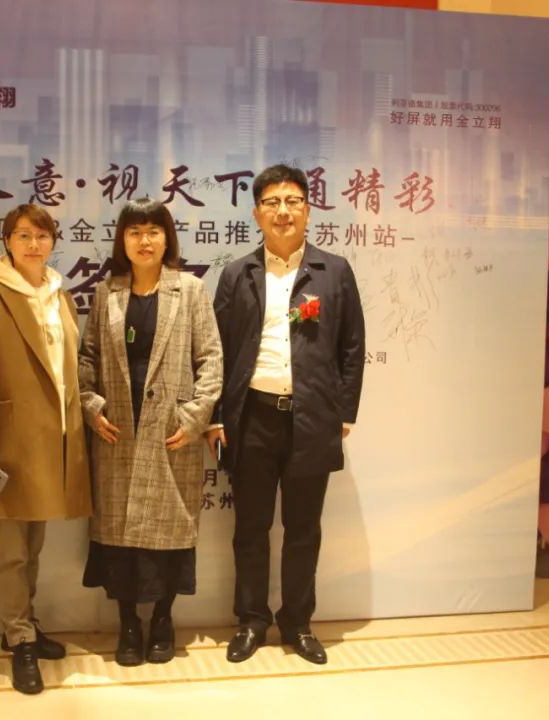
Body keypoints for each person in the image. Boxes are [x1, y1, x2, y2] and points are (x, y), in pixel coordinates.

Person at [207, 165, 365, 665]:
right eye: (272, 202)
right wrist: (216, 415)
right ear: (257, 213)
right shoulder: (237, 274)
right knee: (250, 529)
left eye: (292, 201)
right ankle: (251, 621)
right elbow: (216, 349)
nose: (283, 211)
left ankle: (297, 623)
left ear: (308, 210)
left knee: (303, 531)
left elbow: (353, 346)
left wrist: (344, 410)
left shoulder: (333, 272)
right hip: (252, 418)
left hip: (312, 419)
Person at [79, 198, 223, 666]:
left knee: (169, 532)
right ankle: (127, 624)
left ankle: (162, 620)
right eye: (135, 231)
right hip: (118, 429)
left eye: (153, 231)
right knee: (119, 533)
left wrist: (194, 417)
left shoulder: (191, 290)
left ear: (167, 238)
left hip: (170, 433)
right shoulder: (107, 293)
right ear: (122, 240)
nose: (145, 240)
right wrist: (91, 406)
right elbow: (86, 358)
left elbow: (211, 359)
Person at [0, 203, 92, 695]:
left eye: (41, 236)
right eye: (23, 236)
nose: (33, 244)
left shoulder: (60, 295)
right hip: (9, 444)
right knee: (10, 550)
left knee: (32, 543)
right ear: (7, 242)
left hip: (52, 441)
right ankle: (20, 640)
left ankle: (24, 623)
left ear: (52, 241)